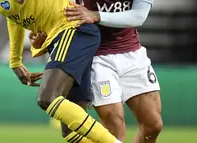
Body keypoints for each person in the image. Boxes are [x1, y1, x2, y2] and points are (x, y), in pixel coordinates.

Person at [0, 0, 121, 143]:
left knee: (47, 98)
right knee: (70, 133)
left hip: (74, 31)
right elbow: (11, 14)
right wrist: (15, 61)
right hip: (61, 40)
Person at [62, 0, 163, 143]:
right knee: (113, 128)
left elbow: (139, 16)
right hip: (96, 56)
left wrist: (96, 15)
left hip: (132, 54)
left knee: (153, 125)